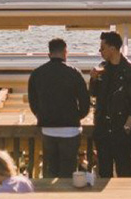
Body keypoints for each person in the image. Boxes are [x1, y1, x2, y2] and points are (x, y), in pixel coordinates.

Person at [28, 38, 91, 178]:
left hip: (48, 128)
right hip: (70, 129)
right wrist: (77, 116)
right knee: (68, 172)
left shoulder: (37, 73)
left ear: (49, 54)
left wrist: (41, 115)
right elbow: (85, 102)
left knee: (51, 170)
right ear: (65, 52)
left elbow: (33, 102)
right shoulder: (74, 73)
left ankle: (51, 198)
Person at [90, 31, 131, 178]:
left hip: (121, 128)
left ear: (112, 48)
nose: (100, 52)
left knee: (124, 171)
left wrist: (126, 127)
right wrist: (93, 79)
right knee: (104, 172)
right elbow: (94, 94)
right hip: (102, 128)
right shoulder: (102, 68)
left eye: (102, 48)